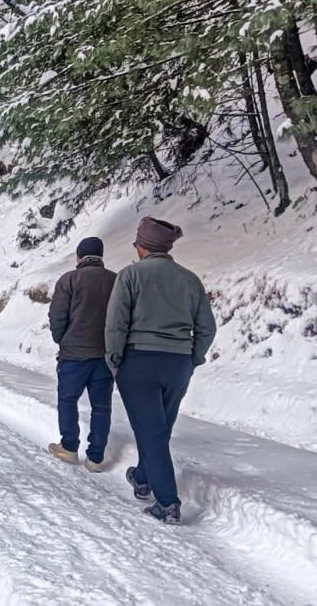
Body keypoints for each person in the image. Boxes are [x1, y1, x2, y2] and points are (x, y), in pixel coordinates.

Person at [106, 217, 217, 525]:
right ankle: (142, 477)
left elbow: (116, 323)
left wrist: (114, 359)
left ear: (142, 247)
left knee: (151, 430)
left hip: (138, 361)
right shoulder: (190, 280)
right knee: (158, 427)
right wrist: (192, 358)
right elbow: (207, 328)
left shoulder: (130, 276)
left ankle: (167, 502)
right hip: (178, 363)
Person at [47, 237, 117, 472]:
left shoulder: (70, 279)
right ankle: (95, 457)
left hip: (74, 355)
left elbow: (57, 316)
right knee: (102, 407)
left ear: (79, 257)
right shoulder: (116, 280)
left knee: (68, 400)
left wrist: (62, 339)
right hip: (105, 355)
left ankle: (69, 446)